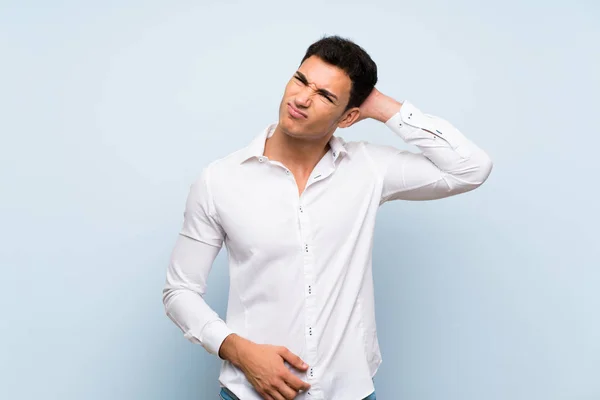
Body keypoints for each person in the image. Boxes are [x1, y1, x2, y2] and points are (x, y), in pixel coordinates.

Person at [162, 35, 493, 400]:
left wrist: (382, 106)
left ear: (350, 116)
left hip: (350, 392)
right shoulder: (219, 180)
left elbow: (471, 169)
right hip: (250, 395)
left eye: (325, 95)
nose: (301, 99)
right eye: (301, 80)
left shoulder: (369, 168)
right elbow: (180, 291)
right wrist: (238, 350)